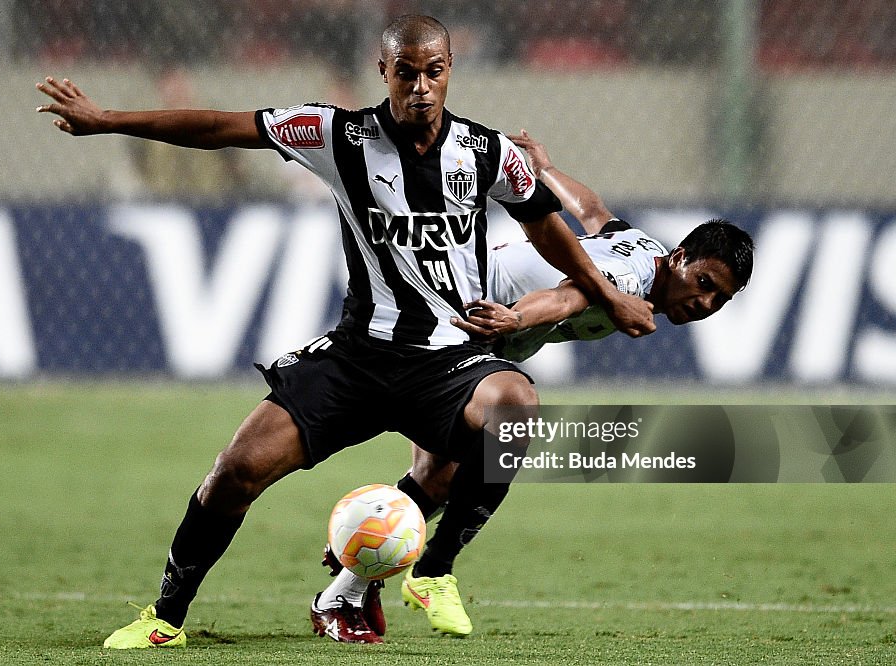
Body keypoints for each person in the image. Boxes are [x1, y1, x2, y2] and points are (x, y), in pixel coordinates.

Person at [36, 15, 656, 649]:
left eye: (434, 72)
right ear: (382, 70)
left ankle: (435, 570)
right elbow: (223, 127)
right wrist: (109, 119)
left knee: (516, 408)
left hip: (447, 362)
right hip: (357, 357)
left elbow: (547, 227)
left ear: (450, 72)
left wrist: (609, 294)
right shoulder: (338, 133)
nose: (421, 86)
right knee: (235, 472)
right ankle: (165, 618)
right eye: (406, 72)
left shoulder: (487, 151)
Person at [315, 129, 754, 641]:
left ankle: (353, 575)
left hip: (485, 326)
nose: (704, 303)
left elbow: (591, 210)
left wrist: (545, 169)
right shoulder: (631, 276)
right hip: (471, 318)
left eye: (718, 299)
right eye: (704, 283)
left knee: (439, 473)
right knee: (468, 456)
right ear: (680, 258)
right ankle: (424, 569)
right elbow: (568, 296)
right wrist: (515, 319)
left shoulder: (645, 251)